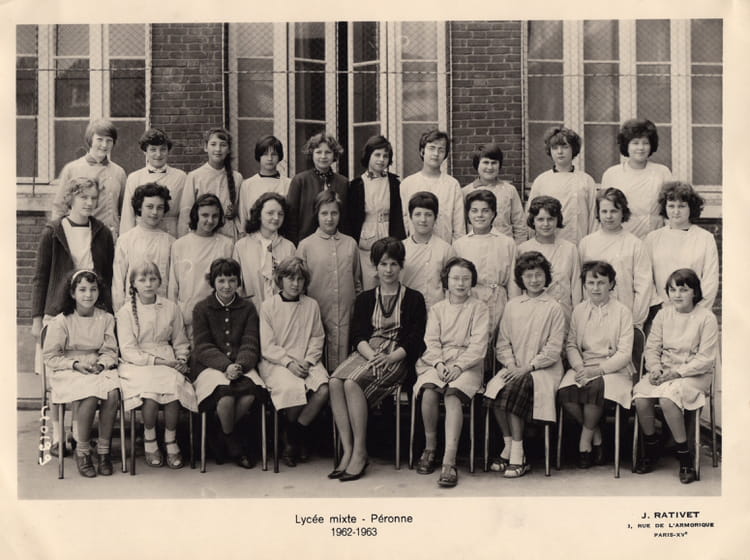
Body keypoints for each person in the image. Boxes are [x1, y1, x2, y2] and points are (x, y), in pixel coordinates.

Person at [329, 238, 427, 481]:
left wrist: (390, 357)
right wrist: (372, 356)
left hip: (396, 356)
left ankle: (360, 451)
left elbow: (415, 339)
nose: (388, 269)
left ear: (401, 266)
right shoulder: (365, 299)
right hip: (367, 352)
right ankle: (347, 449)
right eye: (383, 264)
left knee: (351, 383)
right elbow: (358, 335)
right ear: (375, 266)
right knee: (334, 382)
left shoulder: (414, 298)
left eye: (394, 264)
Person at [32, 177, 115, 457]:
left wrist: (106, 309)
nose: (89, 203)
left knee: (87, 373)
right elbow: (40, 276)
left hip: (90, 309)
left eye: (93, 198)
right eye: (83, 198)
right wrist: (37, 317)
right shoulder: (53, 232)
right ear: (70, 199)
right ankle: (58, 436)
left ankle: (79, 433)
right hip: (58, 310)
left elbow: (108, 275)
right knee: (57, 376)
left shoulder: (102, 232)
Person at [484, 252, 565, 478]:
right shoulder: (512, 305)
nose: (534, 280)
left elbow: (553, 348)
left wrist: (528, 367)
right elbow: (503, 343)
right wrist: (511, 365)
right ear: (520, 278)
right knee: (494, 390)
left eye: (539, 275)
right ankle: (509, 445)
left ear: (546, 277)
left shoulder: (553, 307)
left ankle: (518, 455)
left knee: (512, 390)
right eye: (528, 276)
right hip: (514, 366)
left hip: (543, 369)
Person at [633, 269, 718, 484]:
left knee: (667, 399)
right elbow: (652, 348)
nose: (677, 295)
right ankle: (652, 447)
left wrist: (677, 372)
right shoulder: (663, 315)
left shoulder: (706, 318)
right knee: (641, 398)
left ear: (695, 292)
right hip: (664, 372)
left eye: (683, 290)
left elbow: (706, 358)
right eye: (672, 290)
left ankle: (685, 456)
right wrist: (655, 368)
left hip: (694, 374)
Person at [413, 257, 489, 487]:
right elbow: (431, 341)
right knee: (429, 391)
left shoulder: (479, 308)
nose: (460, 283)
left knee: (452, 395)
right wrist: (438, 364)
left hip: (468, 364)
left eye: (466, 279)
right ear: (446, 281)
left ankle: (449, 459)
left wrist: (459, 367)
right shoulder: (437, 309)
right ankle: (430, 448)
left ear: (472, 281)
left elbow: (478, 346)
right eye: (455, 278)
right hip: (438, 362)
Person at [116, 262, 197, 469]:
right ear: (133, 283)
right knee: (150, 394)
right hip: (137, 364)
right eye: (142, 280)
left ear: (160, 282)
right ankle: (150, 439)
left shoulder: (170, 307)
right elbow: (128, 350)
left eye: (153, 279)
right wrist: (158, 362)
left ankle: (170, 440)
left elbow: (180, 341)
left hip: (167, 359)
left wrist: (181, 360)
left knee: (173, 390)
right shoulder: (125, 312)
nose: (148, 284)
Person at [42, 270, 121, 478]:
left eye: (93, 289)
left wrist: (102, 365)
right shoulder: (62, 321)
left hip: (96, 366)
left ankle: (103, 451)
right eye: (83, 289)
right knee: (91, 393)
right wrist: (75, 364)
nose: (88, 295)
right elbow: (50, 356)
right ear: (72, 293)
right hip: (68, 368)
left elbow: (110, 351)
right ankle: (83, 451)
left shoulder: (106, 318)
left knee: (113, 393)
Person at [557, 261, 634, 468]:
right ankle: (595, 433)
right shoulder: (579, 310)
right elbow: (571, 345)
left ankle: (585, 442)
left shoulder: (623, 312)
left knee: (595, 387)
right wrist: (579, 367)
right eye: (591, 283)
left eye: (601, 282)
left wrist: (598, 370)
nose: (596, 288)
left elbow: (625, 353)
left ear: (611, 284)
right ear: (584, 285)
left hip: (613, 369)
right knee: (565, 392)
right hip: (583, 366)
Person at [258, 257, 330, 467]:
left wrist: (308, 361)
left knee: (324, 389)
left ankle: (293, 435)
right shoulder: (268, 306)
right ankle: (295, 442)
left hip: (307, 360)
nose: (295, 284)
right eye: (290, 278)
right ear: (280, 280)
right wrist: (288, 363)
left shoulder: (311, 305)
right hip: (278, 362)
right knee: (292, 389)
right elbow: (267, 345)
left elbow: (317, 337)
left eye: (300, 279)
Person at [190, 258, 261, 468]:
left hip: (240, 365)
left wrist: (240, 365)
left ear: (238, 282)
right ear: (213, 282)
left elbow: (251, 342)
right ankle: (233, 444)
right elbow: (203, 346)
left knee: (249, 394)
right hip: (210, 366)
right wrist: (225, 366)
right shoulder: (201, 308)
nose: (227, 286)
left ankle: (219, 433)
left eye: (232, 280)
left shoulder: (248, 308)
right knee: (226, 396)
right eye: (221, 281)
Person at [297, 190, 362, 371]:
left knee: (345, 366)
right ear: (316, 215)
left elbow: (357, 282)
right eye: (324, 213)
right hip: (318, 315)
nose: (329, 218)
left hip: (346, 315)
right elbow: (300, 287)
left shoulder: (350, 244)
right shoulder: (305, 245)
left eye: (334, 213)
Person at [578, 188, 653, 328]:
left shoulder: (635, 244)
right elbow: (581, 285)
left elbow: (644, 286)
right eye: (604, 211)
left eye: (614, 211)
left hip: (625, 317)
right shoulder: (586, 243)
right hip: (592, 318)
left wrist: (635, 320)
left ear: (623, 212)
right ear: (598, 213)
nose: (609, 216)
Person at [644, 182, 719, 314]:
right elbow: (646, 278)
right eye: (671, 206)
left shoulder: (705, 238)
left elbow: (710, 281)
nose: (676, 211)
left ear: (691, 208)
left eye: (682, 206)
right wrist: (659, 307)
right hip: (661, 312)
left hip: (695, 313)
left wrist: (696, 311)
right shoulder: (653, 239)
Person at [168, 194, 234, 339]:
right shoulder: (180, 245)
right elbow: (173, 286)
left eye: (215, 216)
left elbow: (231, 283)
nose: (210, 220)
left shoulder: (226, 244)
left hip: (217, 316)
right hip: (187, 316)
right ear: (195, 215)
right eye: (205, 215)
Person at [347, 135, 406, 289]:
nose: (381, 159)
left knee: (390, 280)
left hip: (388, 234)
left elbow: (398, 216)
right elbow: (352, 219)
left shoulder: (394, 183)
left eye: (385, 156)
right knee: (370, 283)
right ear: (368, 156)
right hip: (366, 240)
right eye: (377, 155)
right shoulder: (357, 185)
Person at [453, 189, 517, 333]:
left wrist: (513, 310)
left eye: (485, 211)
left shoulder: (507, 243)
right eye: (474, 211)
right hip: (470, 301)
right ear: (468, 214)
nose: (480, 215)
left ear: (493, 213)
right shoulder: (459, 245)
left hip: (499, 301)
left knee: (498, 340)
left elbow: (513, 282)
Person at [50, 119, 127, 238]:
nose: (104, 145)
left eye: (109, 141)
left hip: (111, 238)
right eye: (100, 139)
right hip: (80, 236)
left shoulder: (119, 172)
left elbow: (125, 210)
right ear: (90, 140)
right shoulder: (72, 169)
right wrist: (59, 238)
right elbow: (59, 208)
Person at [601, 118, 673, 239]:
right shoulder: (612, 174)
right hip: (622, 237)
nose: (641, 148)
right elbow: (605, 210)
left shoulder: (662, 172)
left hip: (655, 237)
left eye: (645, 143)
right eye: (635, 143)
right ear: (626, 145)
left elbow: (670, 208)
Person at [526, 126, 596, 244]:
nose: (560, 152)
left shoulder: (586, 180)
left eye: (565, 147)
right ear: (550, 150)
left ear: (573, 149)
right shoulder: (542, 181)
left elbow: (594, 218)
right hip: (549, 244)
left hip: (580, 242)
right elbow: (531, 216)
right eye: (555, 148)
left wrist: (590, 244)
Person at [112, 183, 175, 312]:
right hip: (132, 309)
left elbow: (172, 282)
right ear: (140, 207)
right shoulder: (126, 240)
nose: (154, 212)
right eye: (149, 207)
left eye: (160, 207)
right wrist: (120, 312)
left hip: (162, 309)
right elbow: (118, 279)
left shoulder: (171, 242)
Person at [519, 195, 581, 323]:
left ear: (557, 220)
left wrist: (577, 317)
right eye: (540, 219)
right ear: (533, 221)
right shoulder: (523, 249)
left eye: (550, 219)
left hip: (563, 314)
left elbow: (576, 287)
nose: (546, 224)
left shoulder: (570, 249)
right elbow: (518, 289)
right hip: (532, 315)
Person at [120, 127, 187, 238]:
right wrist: (126, 241)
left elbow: (185, 214)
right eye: (153, 149)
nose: (158, 154)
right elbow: (128, 215)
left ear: (168, 151)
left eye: (163, 149)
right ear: (145, 151)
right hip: (141, 236)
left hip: (171, 233)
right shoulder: (134, 177)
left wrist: (182, 241)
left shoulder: (181, 177)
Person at [400, 129, 465, 243]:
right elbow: (404, 221)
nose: (436, 154)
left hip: (444, 246)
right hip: (415, 247)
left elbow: (459, 224)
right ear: (422, 151)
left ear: (445, 155)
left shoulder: (452, 185)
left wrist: (455, 250)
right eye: (432, 148)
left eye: (441, 150)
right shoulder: (407, 184)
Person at [178, 127, 243, 239]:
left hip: (228, 234)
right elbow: (186, 213)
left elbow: (240, 211)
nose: (218, 149)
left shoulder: (237, 178)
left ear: (228, 149)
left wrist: (233, 211)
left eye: (223, 145)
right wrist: (185, 240)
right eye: (213, 144)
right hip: (203, 235)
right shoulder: (194, 176)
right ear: (205, 147)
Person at [233, 192, 296, 306]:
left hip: (282, 310)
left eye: (280, 214)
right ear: (258, 215)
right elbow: (237, 287)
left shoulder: (289, 247)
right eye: (270, 213)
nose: (276, 218)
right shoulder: (241, 246)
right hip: (251, 311)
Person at [286, 132, 349, 245]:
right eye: (318, 152)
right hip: (305, 242)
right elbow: (291, 218)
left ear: (334, 155)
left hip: (337, 243)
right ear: (312, 153)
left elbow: (346, 218)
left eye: (328, 152)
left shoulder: (343, 182)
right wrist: (295, 245)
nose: (323, 156)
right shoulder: (300, 181)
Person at [401, 192, 456, 311]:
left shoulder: (446, 249)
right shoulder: (401, 248)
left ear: (436, 218)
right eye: (418, 214)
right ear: (410, 217)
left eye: (428, 215)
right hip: (407, 310)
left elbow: (451, 287)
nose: (423, 219)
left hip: (436, 309)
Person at [462, 143, 527, 243]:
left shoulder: (509, 190)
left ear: (499, 165)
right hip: (475, 245)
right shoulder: (466, 192)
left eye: (494, 163)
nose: (490, 167)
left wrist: (518, 248)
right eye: (485, 162)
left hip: (504, 246)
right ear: (477, 164)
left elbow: (520, 225)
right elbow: (461, 226)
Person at [237, 135, 291, 226]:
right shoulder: (247, 185)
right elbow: (243, 217)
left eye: (274, 154)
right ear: (259, 156)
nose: (269, 158)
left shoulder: (288, 184)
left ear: (279, 156)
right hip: (253, 233)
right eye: (265, 154)